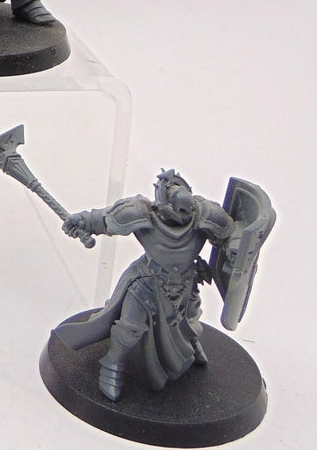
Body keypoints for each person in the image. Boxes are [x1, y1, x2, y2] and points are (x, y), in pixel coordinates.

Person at [57, 170, 235, 401]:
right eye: (180, 211)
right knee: (129, 328)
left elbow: (231, 233)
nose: (185, 217)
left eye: (188, 211)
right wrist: (81, 221)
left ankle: (190, 345)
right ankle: (113, 365)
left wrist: (234, 249)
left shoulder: (205, 213)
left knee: (190, 318)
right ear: (164, 206)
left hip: (185, 280)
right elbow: (103, 219)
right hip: (147, 281)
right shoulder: (140, 213)